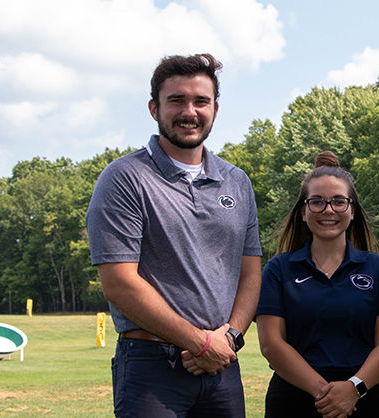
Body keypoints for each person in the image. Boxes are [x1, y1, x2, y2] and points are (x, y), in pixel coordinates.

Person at [86, 53, 262, 417]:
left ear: (215, 108)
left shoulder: (237, 181)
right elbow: (119, 284)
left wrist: (228, 339)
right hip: (153, 367)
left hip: (221, 365)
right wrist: (199, 343)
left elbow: (250, 272)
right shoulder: (125, 178)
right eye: (176, 100)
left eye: (201, 101)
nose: (190, 111)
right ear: (154, 108)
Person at [256, 151, 379, 418]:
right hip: (294, 400)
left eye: (339, 202)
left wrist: (353, 389)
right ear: (303, 212)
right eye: (317, 202)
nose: (328, 210)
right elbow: (271, 344)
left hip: (368, 399)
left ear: (352, 211)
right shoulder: (278, 269)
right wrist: (326, 394)